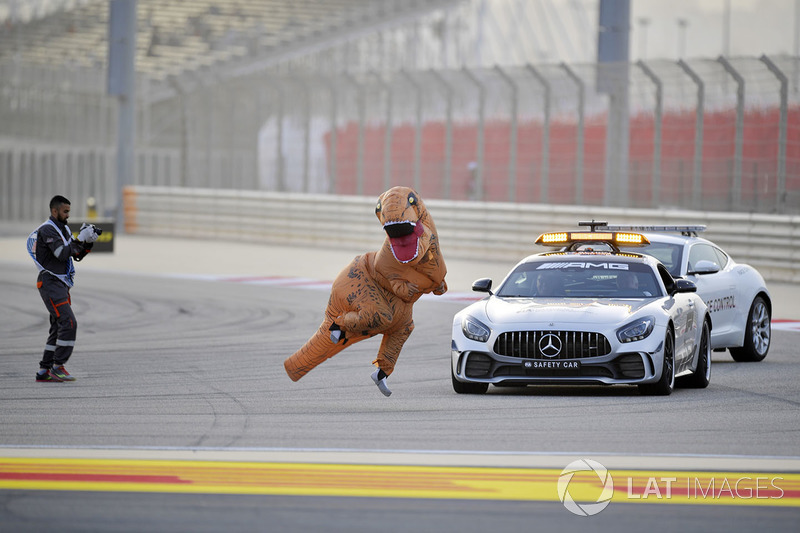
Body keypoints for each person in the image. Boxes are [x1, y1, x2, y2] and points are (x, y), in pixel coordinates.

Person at [27, 195, 100, 382]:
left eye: (69, 211)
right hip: (50, 283)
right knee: (68, 323)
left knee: (58, 326)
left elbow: (75, 256)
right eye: (65, 211)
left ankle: (44, 370)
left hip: (61, 284)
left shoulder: (63, 228)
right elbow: (60, 254)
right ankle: (58, 367)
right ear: (54, 211)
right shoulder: (47, 230)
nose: (68, 214)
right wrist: (78, 240)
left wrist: (88, 242)